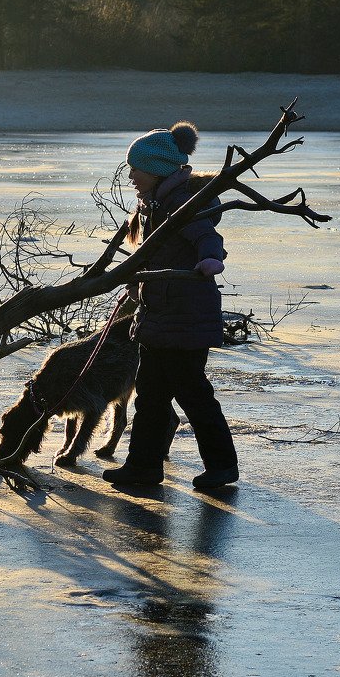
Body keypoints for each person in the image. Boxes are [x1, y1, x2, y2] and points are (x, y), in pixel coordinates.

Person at [102, 121, 239, 490]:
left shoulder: (181, 203)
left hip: (186, 317)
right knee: (150, 397)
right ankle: (143, 466)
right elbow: (153, 254)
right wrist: (136, 282)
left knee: (194, 395)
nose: (130, 175)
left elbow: (207, 236)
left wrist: (211, 260)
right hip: (159, 315)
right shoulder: (154, 203)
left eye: (136, 169)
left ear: (157, 169)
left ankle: (223, 466)